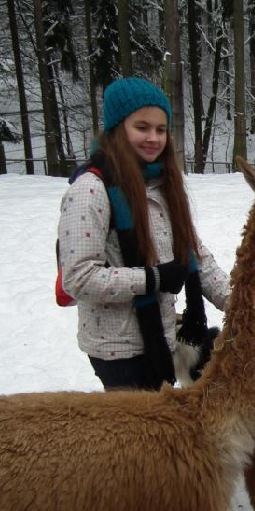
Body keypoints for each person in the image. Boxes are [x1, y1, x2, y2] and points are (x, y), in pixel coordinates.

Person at [58, 76, 229, 391]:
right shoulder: (91, 190)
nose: (153, 138)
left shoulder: (164, 186)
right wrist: (152, 279)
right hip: (118, 349)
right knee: (141, 437)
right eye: (142, 127)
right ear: (117, 128)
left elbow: (195, 256)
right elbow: (79, 277)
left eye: (161, 130)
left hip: (160, 338)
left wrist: (241, 301)